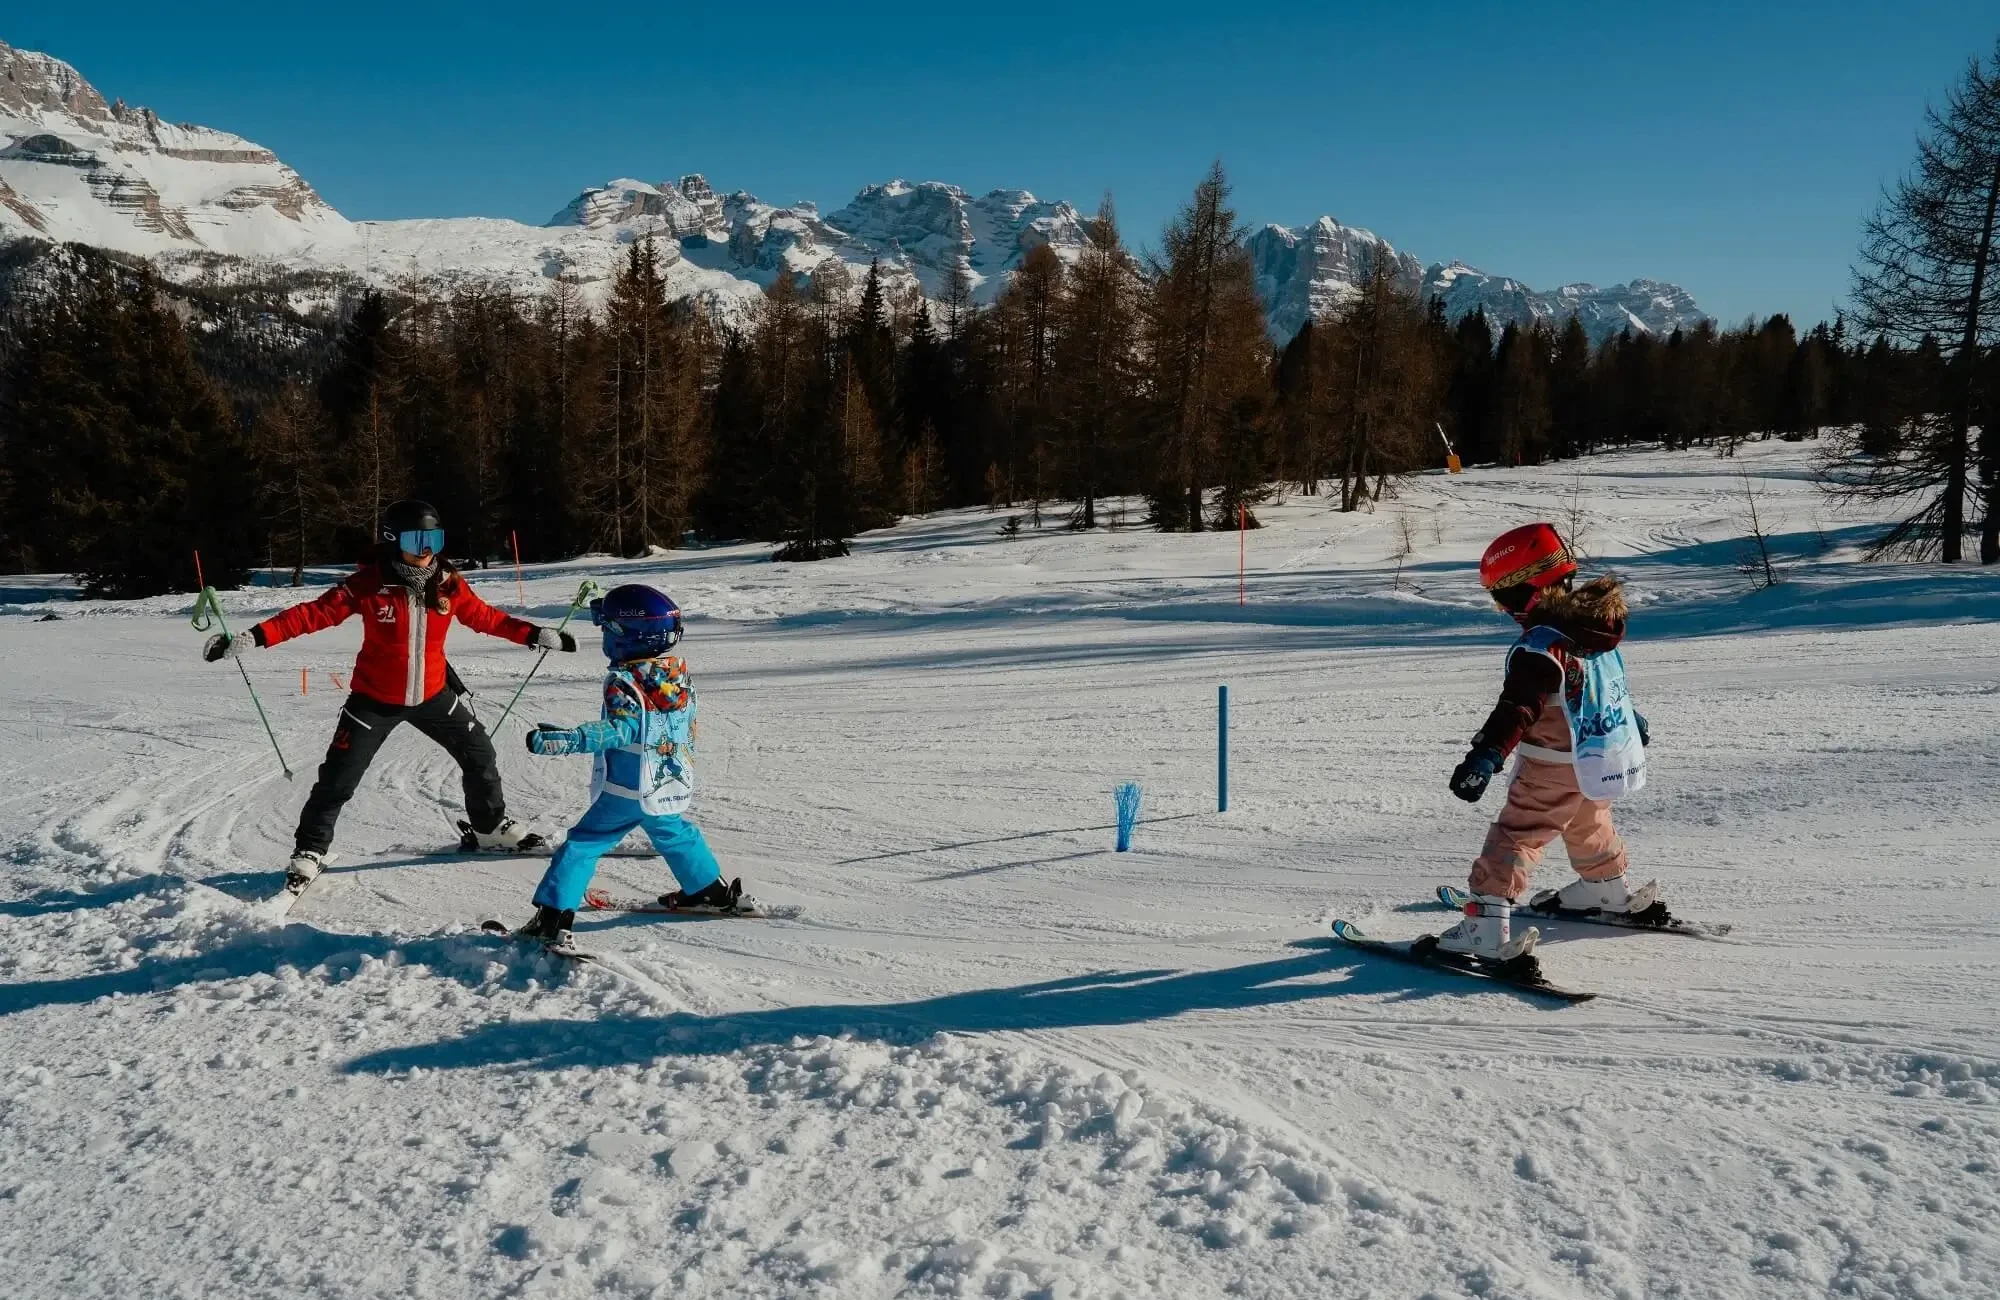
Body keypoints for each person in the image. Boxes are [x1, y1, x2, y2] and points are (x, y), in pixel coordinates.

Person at [201, 499, 576, 886]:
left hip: (433, 695)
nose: (426, 548)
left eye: (434, 538)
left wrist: (533, 634)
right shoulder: (369, 583)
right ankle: (310, 849)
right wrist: (253, 637)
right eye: (417, 540)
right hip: (374, 701)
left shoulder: (447, 582)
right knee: (338, 780)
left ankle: (489, 827)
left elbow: (486, 618)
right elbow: (312, 614)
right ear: (394, 540)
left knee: (480, 753)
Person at [1439, 522, 1654, 961]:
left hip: (1551, 761)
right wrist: (1632, 722)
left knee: (1520, 832)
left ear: (1528, 592)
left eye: (1504, 598)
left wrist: (1485, 755)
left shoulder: (1543, 646)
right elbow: (1602, 688)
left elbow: (1518, 708)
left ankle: (1484, 923)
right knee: (1588, 818)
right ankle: (1606, 888)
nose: (1503, 609)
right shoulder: (1592, 630)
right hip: (1598, 756)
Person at [511, 582, 746, 952]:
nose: (603, 635)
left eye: (606, 628)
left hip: (628, 786)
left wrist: (571, 739)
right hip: (666, 778)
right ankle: (709, 891)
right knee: (672, 830)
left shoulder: (624, 681)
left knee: (583, 844)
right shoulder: (674, 672)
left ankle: (552, 918)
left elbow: (621, 729)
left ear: (626, 636)